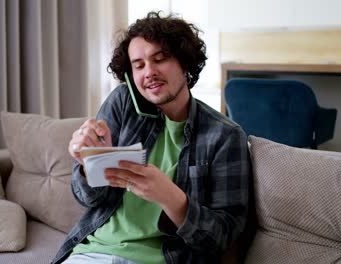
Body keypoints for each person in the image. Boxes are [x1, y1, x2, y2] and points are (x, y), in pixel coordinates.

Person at [52, 11, 251, 264]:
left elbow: (224, 236)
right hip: (92, 253)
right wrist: (86, 165)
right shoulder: (122, 102)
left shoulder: (225, 136)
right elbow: (87, 198)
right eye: (139, 65)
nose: (149, 72)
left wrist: (172, 198)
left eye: (160, 59)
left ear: (185, 63)